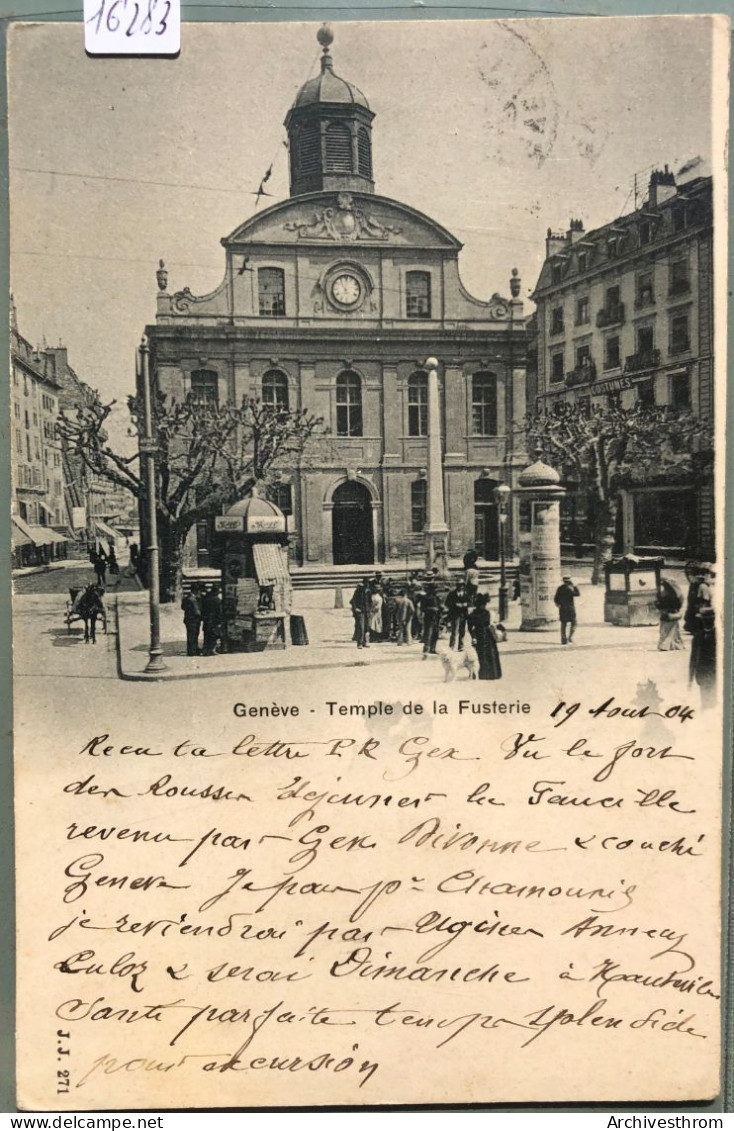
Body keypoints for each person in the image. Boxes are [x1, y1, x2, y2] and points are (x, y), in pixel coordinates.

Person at [689, 567, 716, 708]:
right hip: (703, 677)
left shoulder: (702, 587)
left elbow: (704, 600)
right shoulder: (698, 636)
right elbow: (694, 658)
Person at [468, 592, 502, 680]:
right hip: (479, 635)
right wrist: (473, 637)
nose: (483, 606)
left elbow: (491, 624)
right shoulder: (473, 615)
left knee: (490, 654)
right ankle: (483, 674)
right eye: (482, 605)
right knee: (481, 654)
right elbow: (470, 628)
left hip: (488, 635)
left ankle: (492, 673)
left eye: (484, 604)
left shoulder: (487, 613)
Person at [655, 577, 684, 651]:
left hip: (667, 614)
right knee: (673, 631)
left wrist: (658, 604)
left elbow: (660, 604)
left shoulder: (664, 594)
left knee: (665, 631)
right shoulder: (676, 594)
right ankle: (676, 645)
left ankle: (665, 645)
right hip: (672, 614)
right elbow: (679, 604)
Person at [554, 575, 580, 645]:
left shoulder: (560, 588)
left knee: (563, 623)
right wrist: (575, 586)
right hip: (570, 609)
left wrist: (558, 604)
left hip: (562, 608)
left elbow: (556, 598)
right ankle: (570, 638)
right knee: (574, 623)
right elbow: (578, 594)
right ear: (569, 581)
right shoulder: (570, 588)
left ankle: (563, 639)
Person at [445, 581, 470, 651]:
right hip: (455, 614)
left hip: (463, 614)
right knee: (454, 631)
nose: (460, 587)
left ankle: (461, 645)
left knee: (462, 631)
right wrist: (455, 604)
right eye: (459, 585)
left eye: (462, 585)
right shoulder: (452, 594)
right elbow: (447, 603)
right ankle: (451, 646)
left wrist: (466, 604)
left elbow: (470, 602)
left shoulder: (466, 593)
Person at [421, 582, 443, 657]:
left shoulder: (437, 597)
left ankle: (433, 648)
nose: (435, 590)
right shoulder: (425, 598)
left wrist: (441, 608)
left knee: (435, 634)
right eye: (434, 589)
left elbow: (440, 607)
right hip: (429, 618)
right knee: (428, 633)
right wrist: (432, 608)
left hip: (436, 618)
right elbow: (422, 608)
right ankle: (426, 649)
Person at [350, 577, 372, 649]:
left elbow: (370, 601)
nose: (367, 585)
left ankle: (365, 642)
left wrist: (370, 609)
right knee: (361, 627)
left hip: (367, 611)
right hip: (361, 611)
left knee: (367, 627)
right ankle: (359, 642)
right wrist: (356, 608)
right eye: (366, 584)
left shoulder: (368, 591)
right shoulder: (358, 591)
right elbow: (353, 601)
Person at [181, 583, 203, 656]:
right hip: (193, 620)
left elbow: (183, 607)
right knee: (193, 635)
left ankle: (193, 649)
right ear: (196, 590)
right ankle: (192, 651)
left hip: (189, 619)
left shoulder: (186, 598)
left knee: (192, 634)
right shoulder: (192, 599)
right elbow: (197, 611)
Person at [201, 585, 222, 656]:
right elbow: (219, 612)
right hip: (214, 620)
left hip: (206, 620)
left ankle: (205, 650)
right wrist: (219, 621)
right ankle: (211, 650)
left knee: (206, 635)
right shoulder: (217, 600)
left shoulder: (206, 598)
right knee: (214, 635)